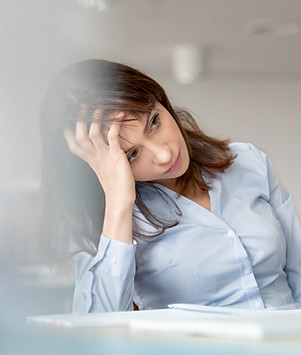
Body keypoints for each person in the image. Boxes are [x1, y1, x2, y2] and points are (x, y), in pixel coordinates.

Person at [39, 59, 301, 313]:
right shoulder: (102, 220)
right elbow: (96, 333)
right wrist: (119, 203)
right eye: (131, 155)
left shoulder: (248, 161)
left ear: (161, 101)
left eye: (154, 122)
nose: (164, 155)